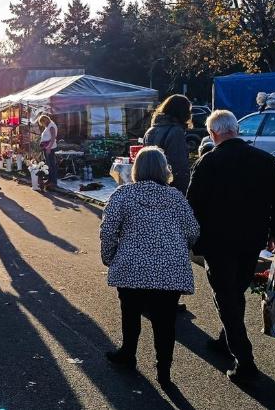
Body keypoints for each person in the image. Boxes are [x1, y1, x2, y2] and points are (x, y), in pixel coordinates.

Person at [187, 110, 275, 384]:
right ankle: (225, 339)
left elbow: (193, 204)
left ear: (213, 134)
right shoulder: (264, 160)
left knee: (225, 295)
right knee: (235, 290)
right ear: (235, 129)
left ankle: (244, 359)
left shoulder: (208, 163)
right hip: (252, 238)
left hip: (217, 240)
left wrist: (192, 238)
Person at [100, 146, 199, 385]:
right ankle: (163, 369)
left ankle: (128, 353)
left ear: (136, 169)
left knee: (130, 312)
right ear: (164, 169)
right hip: (170, 269)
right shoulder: (175, 197)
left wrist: (109, 257)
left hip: (131, 267)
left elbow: (108, 230)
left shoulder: (123, 194)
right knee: (165, 321)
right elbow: (193, 231)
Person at [144, 95, 192, 193]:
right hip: (170, 187)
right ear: (182, 111)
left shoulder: (150, 130)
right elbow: (179, 165)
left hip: (149, 185)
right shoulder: (176, 131)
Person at [37, 114, 59, 190]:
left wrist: (49, 147)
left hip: (50, 148)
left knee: (51, 164)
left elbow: (53, 138)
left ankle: (53, 181)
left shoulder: (51, 126)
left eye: (42, 122)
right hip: (46, 147)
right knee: (49, 165)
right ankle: (50, 180)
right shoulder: (48, 126)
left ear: (44, 120)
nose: (42, 124)